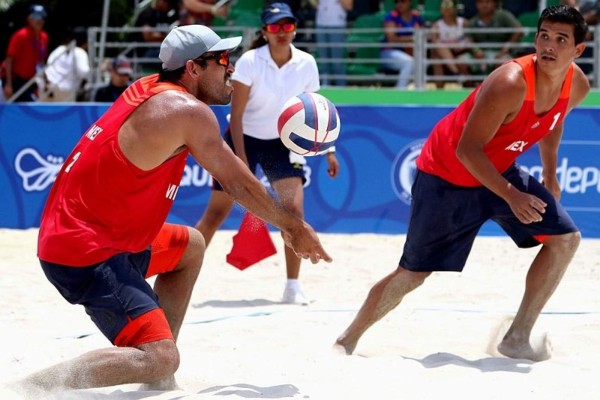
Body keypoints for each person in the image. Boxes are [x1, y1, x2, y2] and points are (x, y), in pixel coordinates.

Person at [8, 24, 330, 397]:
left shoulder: (150, 89)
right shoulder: (184, 110)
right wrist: (293, 226)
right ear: (193, 68)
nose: (232, 68)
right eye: (223, 60)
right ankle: (34, 387)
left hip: (105, 237)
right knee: (162, 356)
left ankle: (157, 370)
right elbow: (237, 182)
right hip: (86, 253)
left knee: (191, 245)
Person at [335, 5, 589, 362]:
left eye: (561, 39)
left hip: (498, 170)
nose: (549, 45)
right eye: (543, 35)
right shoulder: (510, 82)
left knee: (566, 240)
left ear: (578, 50)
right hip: (447, 174)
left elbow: (554, 121)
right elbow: (466, 150)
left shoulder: (576, 84)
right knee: (413, 273)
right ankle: (346, 340)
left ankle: (517, 337)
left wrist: (551, 174)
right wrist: (512, 194)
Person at [194, 2, 340, 305]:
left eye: (287, 25)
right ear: (264, 31)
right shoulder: (249, 61)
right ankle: (182, 273)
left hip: (283, 142)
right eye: (275, 26)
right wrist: (241, 163)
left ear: (295, 28)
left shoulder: (306, 62)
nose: (282, 32)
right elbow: (237, 114)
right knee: (215, 214)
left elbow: (317, 112)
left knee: (294, 213)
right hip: (242, 136)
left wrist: (329, 149)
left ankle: (292, 285)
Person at [1, 4, 49, 102]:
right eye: (36, 16)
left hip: (29, 80)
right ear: (29, 19)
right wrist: (8, 85)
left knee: (35, 102)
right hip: (13, 79)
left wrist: (46, 80)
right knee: (26, 105)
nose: (40, 20)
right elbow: (9, 59)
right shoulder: (21, 35)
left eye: (42, 16)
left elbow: (41, 60)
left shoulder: (44, 37)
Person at [465, 0, 523, 75]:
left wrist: (506, 48)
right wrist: (476, 50)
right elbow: (468, 39)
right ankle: (471, 85)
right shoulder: (472, 21)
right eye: (481, 2)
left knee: (506, 62)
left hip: (501, 52)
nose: (484, 5)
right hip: (480, 53)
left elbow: (518, 30)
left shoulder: (503, 15)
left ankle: (498, 85)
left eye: (487, 2)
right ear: (476, 4)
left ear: (494, 3)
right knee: (461, 61)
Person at [380, 0, 425, 89]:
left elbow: (422, 37)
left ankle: (419, 92)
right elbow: (391, 39)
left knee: (423, 63)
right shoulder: (391, 16)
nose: (399, 4)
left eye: (403, 1)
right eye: (397, 2)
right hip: (389, 53)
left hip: (410, 52)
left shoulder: (416, 16)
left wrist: (411, 41)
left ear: (409, 2)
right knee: (409, 62)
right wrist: (412, 39)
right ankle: (400, 91)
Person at [41, 27, 90, 102]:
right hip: (65, 92)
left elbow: (47, 67)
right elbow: (84, 72)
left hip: (48, 88)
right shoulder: (80, 52)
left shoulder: (59, 49)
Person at [429, 0, 471, 88]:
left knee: (462, 61)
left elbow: (470, 39)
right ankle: (455, 74)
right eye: (444, 5)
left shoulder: (463, 22)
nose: (446, 8)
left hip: (461, 51)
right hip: (443, 55)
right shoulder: (436, 25)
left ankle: (468, 90)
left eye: (449, 5)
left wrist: (459, 46)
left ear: (455, 8)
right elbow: (434, 43)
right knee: (438, 54)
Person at [133, 0, 179, 73]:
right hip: (147, 53)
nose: (170, 8)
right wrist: (166, 37)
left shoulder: (165, 16)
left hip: (159, 52)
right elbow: (148, 36)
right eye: (169, 4)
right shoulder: (147, 13)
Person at [314, 0, 353, 86]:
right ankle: (325, 85)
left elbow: (349, 6)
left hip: (337, 24)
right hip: (321, 23)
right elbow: (315, 4)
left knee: (337, 61)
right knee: (323, 60)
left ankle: (341, 86)